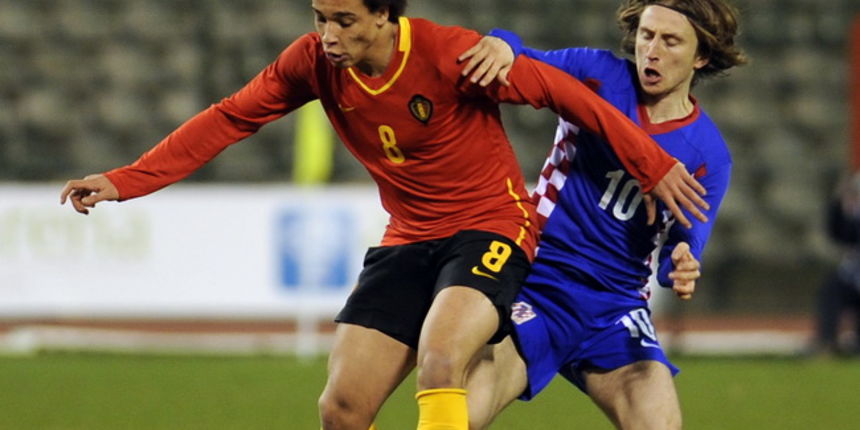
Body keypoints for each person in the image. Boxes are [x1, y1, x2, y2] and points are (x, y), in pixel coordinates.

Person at [59, 1, 710, 429]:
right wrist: (125, 181)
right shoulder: (312, 62)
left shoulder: (447, 56)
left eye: (344, 20)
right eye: (319, 17)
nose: (328, 35)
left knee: (441, 358)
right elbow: (230, 116)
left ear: (384, 15)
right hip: (407, 239)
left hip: (492, 227)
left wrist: (651, 164)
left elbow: (578, 100)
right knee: (341, 409)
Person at [457, 0, 746, 428]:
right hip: (537, 282)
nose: (652, 50)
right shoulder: (597, 72)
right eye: (647, 36)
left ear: (701, 56)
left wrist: (683, 262)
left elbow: (685, 240)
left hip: (615, 308)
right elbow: (519, 58)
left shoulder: (708, 154)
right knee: (456, 419)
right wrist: (502, 42)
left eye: (670, 41)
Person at [812, 173, 860, 356]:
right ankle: (826, 342)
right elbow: (838, 233)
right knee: (831, 291)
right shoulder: (853, 216)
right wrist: (839, 203)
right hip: (852, 278)